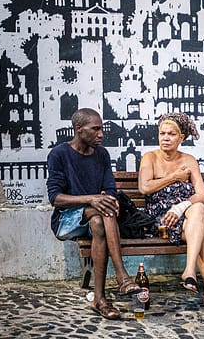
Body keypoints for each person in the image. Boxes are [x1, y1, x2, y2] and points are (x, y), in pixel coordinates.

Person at [46, 108, 141, 320]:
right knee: (100, 209)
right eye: (95, 129)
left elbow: (110, 189)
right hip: (66, 220)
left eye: (102, 129)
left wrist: (109, 200)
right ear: (79, 129)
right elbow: (55, 198)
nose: (101, 134)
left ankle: (100, 299)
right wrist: (91, 198)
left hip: (97, 219)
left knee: (100, 217)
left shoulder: (102, 154)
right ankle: (122, 276)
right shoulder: (59, 154)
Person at [138, 112, 204, 313]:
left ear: (181, 138)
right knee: (203, 232)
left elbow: (202, 195)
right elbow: (144, 188)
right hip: (162, 219)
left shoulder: (189, 160)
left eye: (171, 134)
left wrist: (180, 207)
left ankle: (189, 271)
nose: (165, 138)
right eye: (162, 133)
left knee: (198, 208)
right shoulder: (149, 157)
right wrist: (175, 177)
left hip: (185, 216)